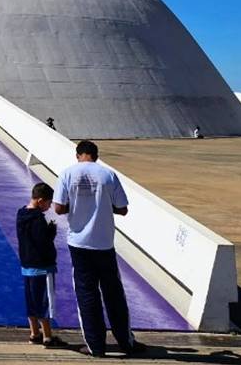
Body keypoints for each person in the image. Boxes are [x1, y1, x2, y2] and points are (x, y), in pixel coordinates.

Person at [53, 140, 145, 358]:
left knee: (87, 294)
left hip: (79, 243)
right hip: (104, 243)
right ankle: (126, 342)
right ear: (95, 155)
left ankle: (96, 346)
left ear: (78, 155)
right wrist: (103, 205)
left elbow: (58, 208)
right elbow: (122, 209)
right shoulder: (108, 175)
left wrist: (73, 206)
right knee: (114, 294)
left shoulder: (68, 174)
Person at [16, 182, 67, 349]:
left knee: (30, 301)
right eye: (48, 202)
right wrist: (51, 232)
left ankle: (34, 333)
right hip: (42, 267)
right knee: (44, 302)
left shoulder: (21, 214)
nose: (49, 205)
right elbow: (42, 242)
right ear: (40, 201)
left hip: (27, 265)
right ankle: (47, 336)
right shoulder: (38, 219)